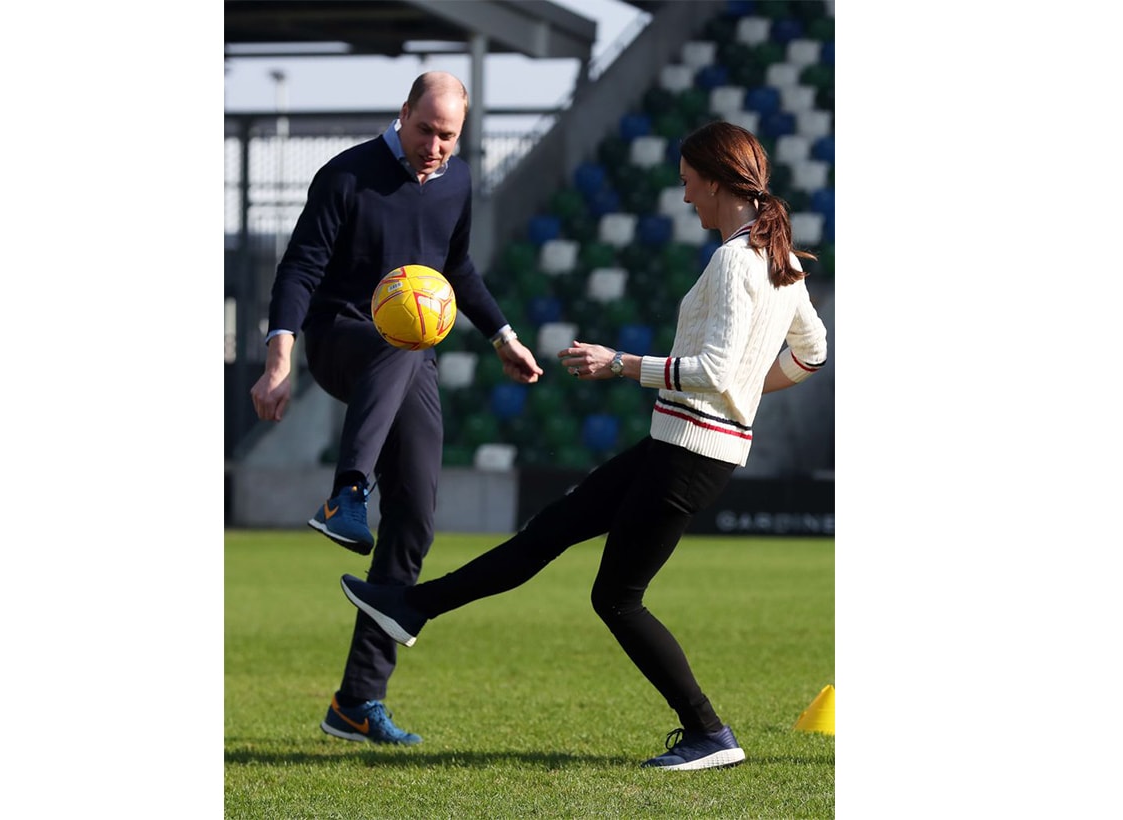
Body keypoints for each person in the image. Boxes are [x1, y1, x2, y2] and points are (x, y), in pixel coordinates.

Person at [337, 121, 828, 770]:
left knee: (616, 598)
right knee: (551, 529)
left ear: (714, 181)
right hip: (681, 442)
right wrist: (749, 392)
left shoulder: (737, 261)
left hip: (692, 452)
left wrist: (620, 362)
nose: (685, 198)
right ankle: (411, 606)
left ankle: (710, 733)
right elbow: (812, 354)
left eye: (688, 184)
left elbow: (713, 369)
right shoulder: (781, 261)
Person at [249, 71, 543, 746]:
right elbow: (298, 268)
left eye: (449, 135)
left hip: (411, 353)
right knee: (404, 333)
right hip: (340, 337)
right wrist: (279, 359)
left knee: (414, 519)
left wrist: (503, 335)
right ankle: (346, 493)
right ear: (403, 112)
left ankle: (357, 702)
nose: (436, 146)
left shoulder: (458, 182)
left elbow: (457, 268)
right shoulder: (345, 176)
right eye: (426, 129)